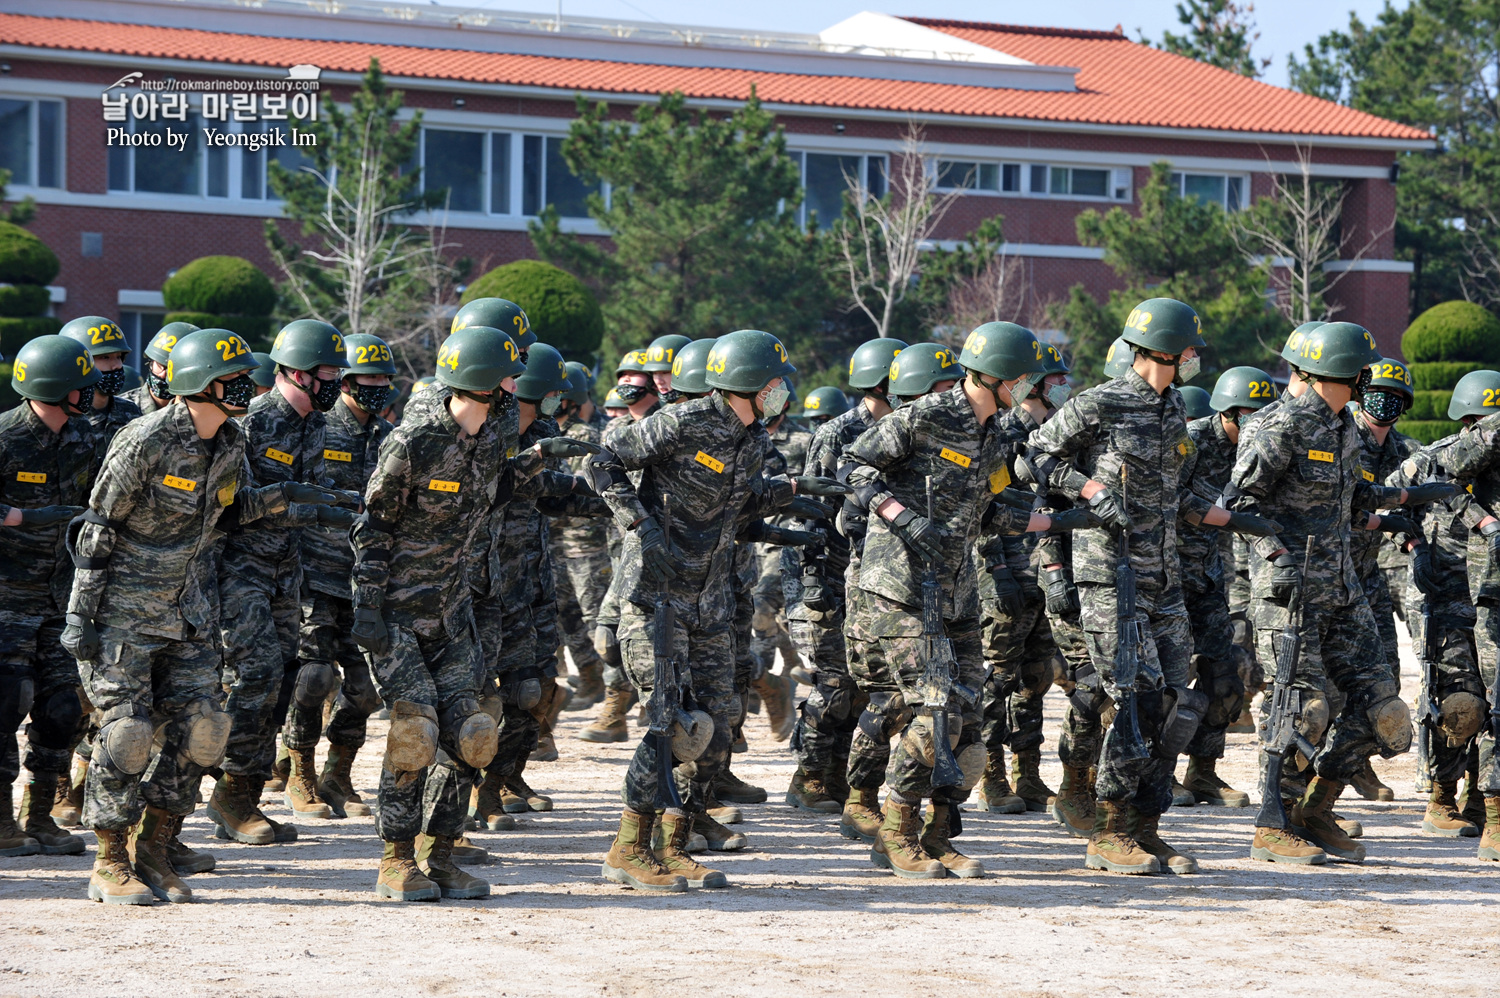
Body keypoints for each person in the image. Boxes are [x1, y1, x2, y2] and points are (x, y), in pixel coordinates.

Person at [63, 329, 339, 903]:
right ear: (197, 384)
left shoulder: (232, 440)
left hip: (189, 615)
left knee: (205, 731)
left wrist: (283, 497)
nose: (245, 384)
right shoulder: (144, 441)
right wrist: (81, 615)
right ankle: (110, 860)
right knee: (127, 735)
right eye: (230, 377)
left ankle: (156, 848)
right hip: (124, 617)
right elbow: (97, 529)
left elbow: (226, 515)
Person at [592, 329, 846, 891]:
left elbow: (737, 507)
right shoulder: (682, 422)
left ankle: (675, 843)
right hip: (656, 595)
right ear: (748, 384)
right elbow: (603, 461)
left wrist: (791, 492)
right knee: (667, 721)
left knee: (712, 723)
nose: (782, 393)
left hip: (710, 600)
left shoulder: (751, 440)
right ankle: (628, 847)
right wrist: (638, 523)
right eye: (776, 384)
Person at [1029, 298, 1274, 875]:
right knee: (1136, 702)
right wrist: (1090, 492)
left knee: (1177, 704)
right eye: (1190, 349)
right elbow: (1034, 458)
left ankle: (1146, 825)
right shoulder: (1100, 402)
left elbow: (1176, 497)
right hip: (1110, 575)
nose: (1194, 358)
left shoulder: (1172, 412)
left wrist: (1236, 518)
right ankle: (1109, 830)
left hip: (1164, 577)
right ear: (1164, 349)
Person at [845, 322, 1086, 879]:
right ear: (998, 375)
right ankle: (895, 832)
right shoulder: (926, 416)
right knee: (933, 711)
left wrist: (1066, 517)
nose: (1029, 388)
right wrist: (899, 515)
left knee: (970, 722)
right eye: (1024, 377)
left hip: (955, 592)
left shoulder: (996, 434)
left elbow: (996, 508)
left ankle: (938, 832)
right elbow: (853, 467)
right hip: (900, 588)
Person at [1228, 321, 1452, 865]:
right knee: (1302, 708)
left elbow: (1354, 499)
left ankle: (1314, 807)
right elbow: (1239, 504)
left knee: (1385, 711)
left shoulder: (1342, 428)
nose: (1368, 380)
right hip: (1289, 595)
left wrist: (1411, 494)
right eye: (1362, 371)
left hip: (1344, 589)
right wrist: (1276, 558)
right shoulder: (1277, 426)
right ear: (1342, 371)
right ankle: (1272, 823)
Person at [349, 323, 532, 901]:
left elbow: (493, 499)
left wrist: (537, 465)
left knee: (473, 733)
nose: (514, 385)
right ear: (482, 382)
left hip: (454, 615)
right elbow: (373, 527)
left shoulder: (492, 439)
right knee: (416, 729)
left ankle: (442, 854)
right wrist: (368, 607)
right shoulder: (415, 440)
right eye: (507, 374)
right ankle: (396, 860)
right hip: (398, 616)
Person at [208, 320, 356, 842]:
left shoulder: (316, 424)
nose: (338, 382)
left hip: (287, 569)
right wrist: (289, 498)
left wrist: (338, 510)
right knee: (255, 676)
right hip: (239, 568)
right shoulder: (249, 422)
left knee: (284, 681)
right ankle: (228, 794)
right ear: (297, 372)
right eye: (329, 373)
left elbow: (313, 497)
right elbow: (226, 507)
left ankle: (242, 794)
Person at [288, 332, 398, 819]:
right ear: (346, 380)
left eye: (385, 378)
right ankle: (299, 774)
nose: (381, 386)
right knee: (312, 679)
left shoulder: (387, 435)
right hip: (314, 576)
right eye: (370, 377)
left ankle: (339, 772)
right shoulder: (317, 427)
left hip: (365, 580)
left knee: (366, 688)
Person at [0, 336, 99, 858]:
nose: (91, 393)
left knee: (63, 708)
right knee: (6, 704)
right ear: (54, 389)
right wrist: (18, 517)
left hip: (62, 601)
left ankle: (38, 817)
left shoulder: (87, 438)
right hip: (6, 600)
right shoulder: (5, 438)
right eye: (81, 385)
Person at [1173, 366, 1277, 809]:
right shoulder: (1191, 441)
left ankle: (1203, 772)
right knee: (1169, 681)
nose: (1259, 428)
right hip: (1167, 574)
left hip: (1211, 575)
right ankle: (1159, 774)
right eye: (1251, 419)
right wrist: (1229, 517)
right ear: (1230, 414)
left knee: (1225, 672)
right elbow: (1170, 498)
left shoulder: (1260, 449)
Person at [975, 342, 1072, 815]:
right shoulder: (999, 434)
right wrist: (995, 572)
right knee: (997, 678)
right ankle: (990, 776)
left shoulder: (1056, 436)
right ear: (1032, 385)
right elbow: (980, 511)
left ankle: (1027, 774)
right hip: (1005, 576)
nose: (1062, 388)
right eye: (1054, 380)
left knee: (1035, 680)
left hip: (1043, 575)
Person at [1419, 368, 1500, 862]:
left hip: (1483, 595)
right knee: (1464, 703)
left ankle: (1483, 802)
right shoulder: (1460, 453)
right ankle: (1453, 797)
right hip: (1461, 596)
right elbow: (1430, 478)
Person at [1345, 358, 1419, 803]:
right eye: (1378, 392)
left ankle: (1358, 759)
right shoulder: (1341, 438)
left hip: (1370, 572)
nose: (1384, 402)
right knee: (1327, 680)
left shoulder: (1406, 453)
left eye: (1395, 397)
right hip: (1331, 572)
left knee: (1384, 675)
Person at [551, 362, 612, 710]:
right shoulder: (547, 433)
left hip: (585, 547)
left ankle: (614, 685)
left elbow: (585, 493)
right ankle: (589, 677)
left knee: (593, 616)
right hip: (556, 546)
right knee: (566, 616)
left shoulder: (584, 438)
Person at [59, 315, 142, 452]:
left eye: (119, 357)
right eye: (105, 357)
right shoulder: (62, 416)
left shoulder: (130, 411)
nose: (116, 365)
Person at [121, 323, 197, 418]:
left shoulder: (200, 413)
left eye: (173, 369)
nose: (163, 374)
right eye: (161, 365)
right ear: (151, 362)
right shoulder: (121, 408)